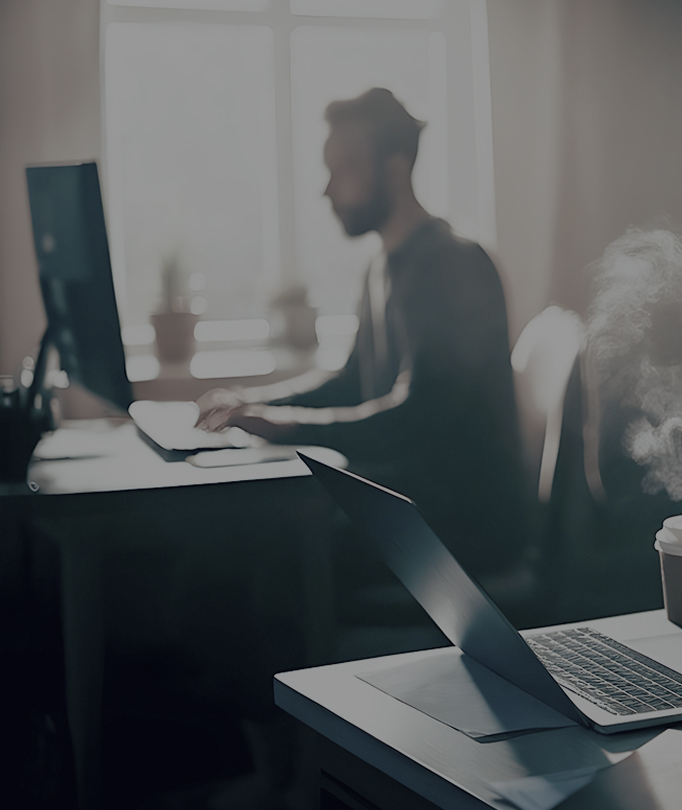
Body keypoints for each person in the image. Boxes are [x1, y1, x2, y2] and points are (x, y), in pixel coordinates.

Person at [196, 87, 530, 579]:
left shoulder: (450, 264)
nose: (327, 189)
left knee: (252, 547)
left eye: (342, 169)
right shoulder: (383, 264)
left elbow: (418, 418)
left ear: (393, 168)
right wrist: (252, 405)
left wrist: (282, 426)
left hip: (455, 531)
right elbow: (350, 380)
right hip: (409, 505)